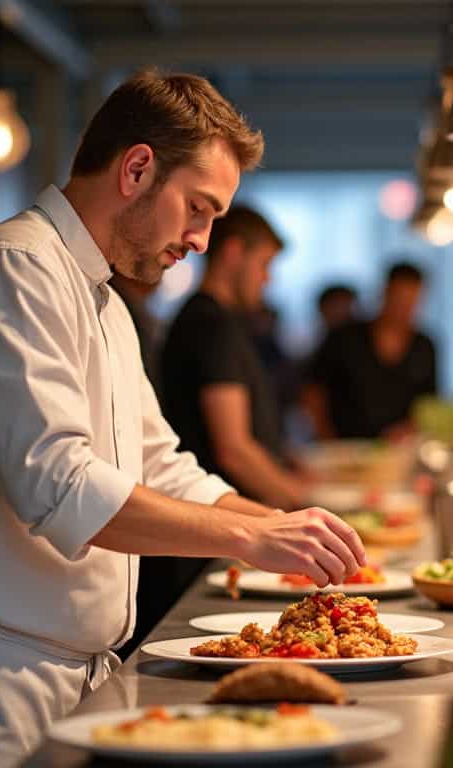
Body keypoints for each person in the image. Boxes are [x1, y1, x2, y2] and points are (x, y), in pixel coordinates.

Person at [0, 71, 367, 767]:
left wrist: (288, 531)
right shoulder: (13, 266)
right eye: (198, 208)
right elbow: (61, 489)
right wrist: (253, 539)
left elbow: (164, 467)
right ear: (137, 169)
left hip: (74, 670)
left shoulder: (104, 301)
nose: (200, 239)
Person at [140, 207, 308, 649]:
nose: (267, 281)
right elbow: (234, 448)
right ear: (234, 253)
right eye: (264, 266)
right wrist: (299, 511)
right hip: (210, 545)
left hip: (219, 529)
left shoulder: (211, 320)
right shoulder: (210, 324)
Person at [304, 262, 437, 440]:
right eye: (399, 299)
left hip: (398, 452)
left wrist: (410, 430)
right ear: (384, 293)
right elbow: (313, 391)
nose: (404, 309)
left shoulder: (424, 345)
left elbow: (429, 403)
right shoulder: (345, 338)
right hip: (343, 450)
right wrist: (326, 437)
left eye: (411, 301)